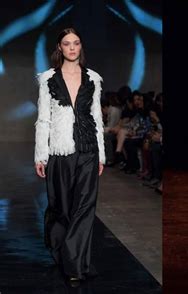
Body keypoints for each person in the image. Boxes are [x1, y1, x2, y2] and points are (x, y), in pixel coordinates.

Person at [34, 28, 105, 283]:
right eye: (67, 43)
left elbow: (96, 116)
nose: (72, 48)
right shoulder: (48, 79)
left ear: (80, 47)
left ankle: (75, 264)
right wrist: (40, 155)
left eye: (76, 43)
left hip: (87, 149)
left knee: (85, 208)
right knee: (61, 207)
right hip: (60, 150)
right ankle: (60, 248)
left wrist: (101, 156)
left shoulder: (93, 79)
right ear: (60, 48)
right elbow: (43, 118)